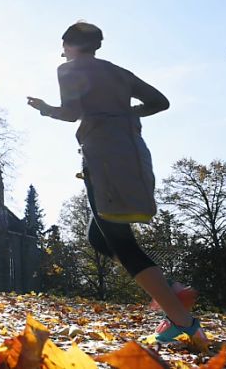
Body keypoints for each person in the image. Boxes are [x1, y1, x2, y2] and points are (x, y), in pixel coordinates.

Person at [26, 22, 207, 347]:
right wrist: (123, 112)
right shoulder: (118, 72)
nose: (62, 51)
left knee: (120, 242)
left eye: (64, 45)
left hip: (103, 158)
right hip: (134, 156)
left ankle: (184, 321)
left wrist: (44, 109)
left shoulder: (70, 69)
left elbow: (70, 112)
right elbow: (159, 102)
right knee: (98, 236)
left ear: (69, 44)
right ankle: (171, 291)